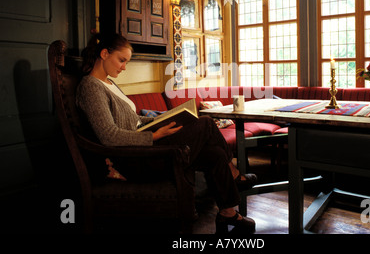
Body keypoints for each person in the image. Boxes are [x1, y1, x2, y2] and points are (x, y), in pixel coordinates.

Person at [75, 32, 257, 234]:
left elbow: (134, 120)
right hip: (134, 159)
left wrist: (162, 118)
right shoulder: (90, 87)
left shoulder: (109, 84)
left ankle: (227, 212)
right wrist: (154, 135)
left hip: (145, 148)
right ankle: (234, 174)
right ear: (104, 54)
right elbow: (109, 135)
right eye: (122, 60)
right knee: (206, 123)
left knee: (214, 154)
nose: (124, 67)